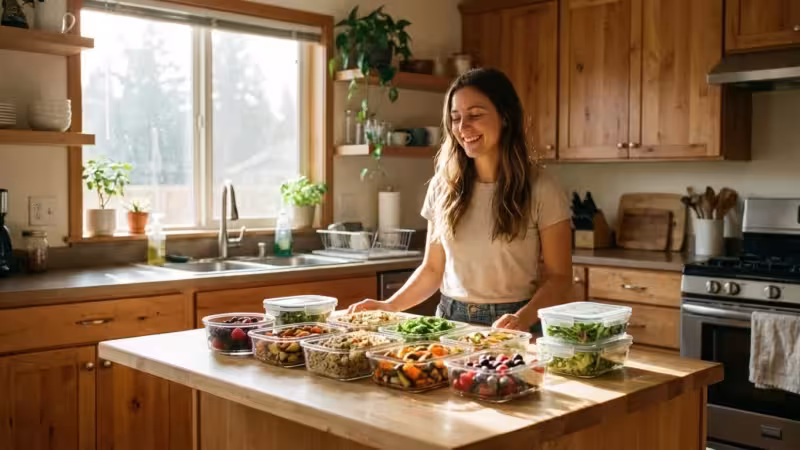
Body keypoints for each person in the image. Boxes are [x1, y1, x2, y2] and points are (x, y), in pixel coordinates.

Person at [347, 68, 573, 332]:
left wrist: (522, 318)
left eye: (475, 115)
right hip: (449, 322)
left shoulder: (541, 188)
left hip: (515, 325)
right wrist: (390, 306)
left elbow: (560, 278)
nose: (463, 127)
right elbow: (432, 269)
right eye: (455, 118)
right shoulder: (443, 186)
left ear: (505, 117)